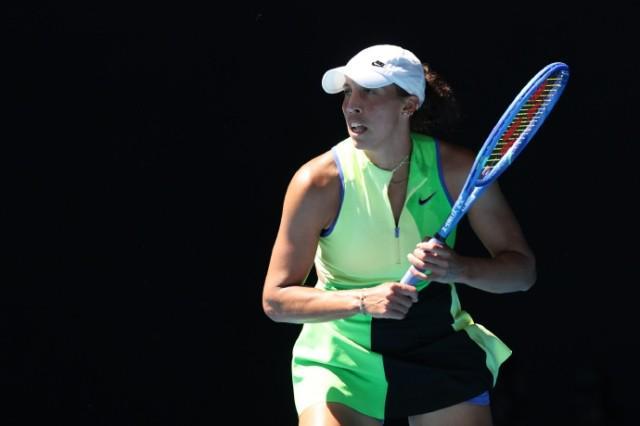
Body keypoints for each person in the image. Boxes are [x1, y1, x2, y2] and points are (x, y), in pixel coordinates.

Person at [262, 44, 536, 426]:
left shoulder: (457, 171)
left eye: (369, 92)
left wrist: (457, 268)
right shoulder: (317, 183)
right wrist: (362, 300)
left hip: (436, 344)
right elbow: (276, 300)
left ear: (408, 105)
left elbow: (521, 274)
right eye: (348, 92)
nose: (352, 106)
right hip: (342, 351)